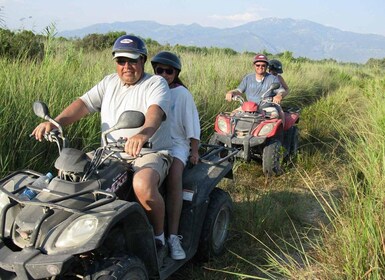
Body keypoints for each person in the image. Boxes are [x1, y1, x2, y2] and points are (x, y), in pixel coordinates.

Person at [31, 35, 173, 253]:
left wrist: (142, 134)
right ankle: (58, 231)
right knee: (67, 170)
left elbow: (155, 112)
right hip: (109, 151)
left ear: (143, 61)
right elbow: (83, 104)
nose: (127, 66)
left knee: (142, 185)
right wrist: (56, 123)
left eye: (133, 60)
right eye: (121, 61)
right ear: (115, 62)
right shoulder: (109, 83)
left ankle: (158, 237)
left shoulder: (155, 83)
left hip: (148, 151)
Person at [151, 51, 200, 260]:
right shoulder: (150, 88)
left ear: (176, 73)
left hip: (176, 144)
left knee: (173, 177)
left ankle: (172, 236)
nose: (163, 74)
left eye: (168, 71)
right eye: (159, 70)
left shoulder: (182, 94)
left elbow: (192, 125)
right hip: (153, 142)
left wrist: (194, 150)